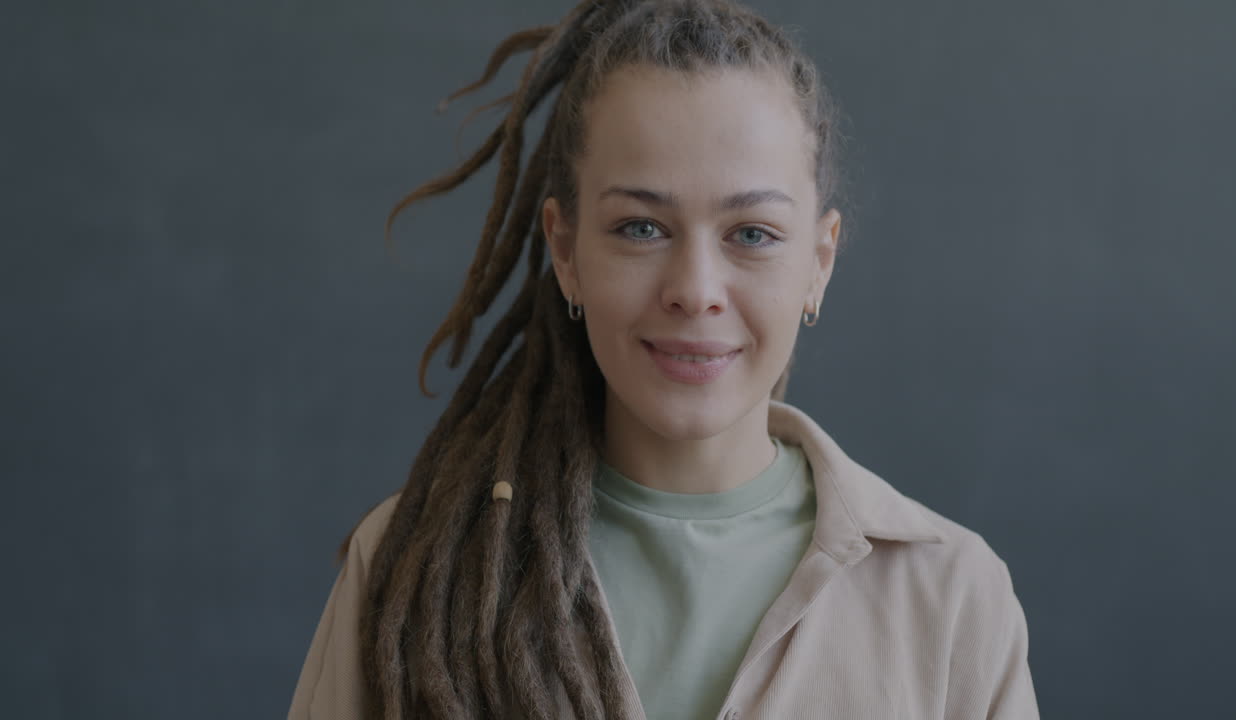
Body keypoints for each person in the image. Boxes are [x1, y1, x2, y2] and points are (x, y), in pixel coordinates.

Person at [287, 0, 1040, 718]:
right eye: (641, 228)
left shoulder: (951, 596)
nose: (694, 291)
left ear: (820, 261)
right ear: (566, 250)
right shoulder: (412, 571)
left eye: (752, 234)